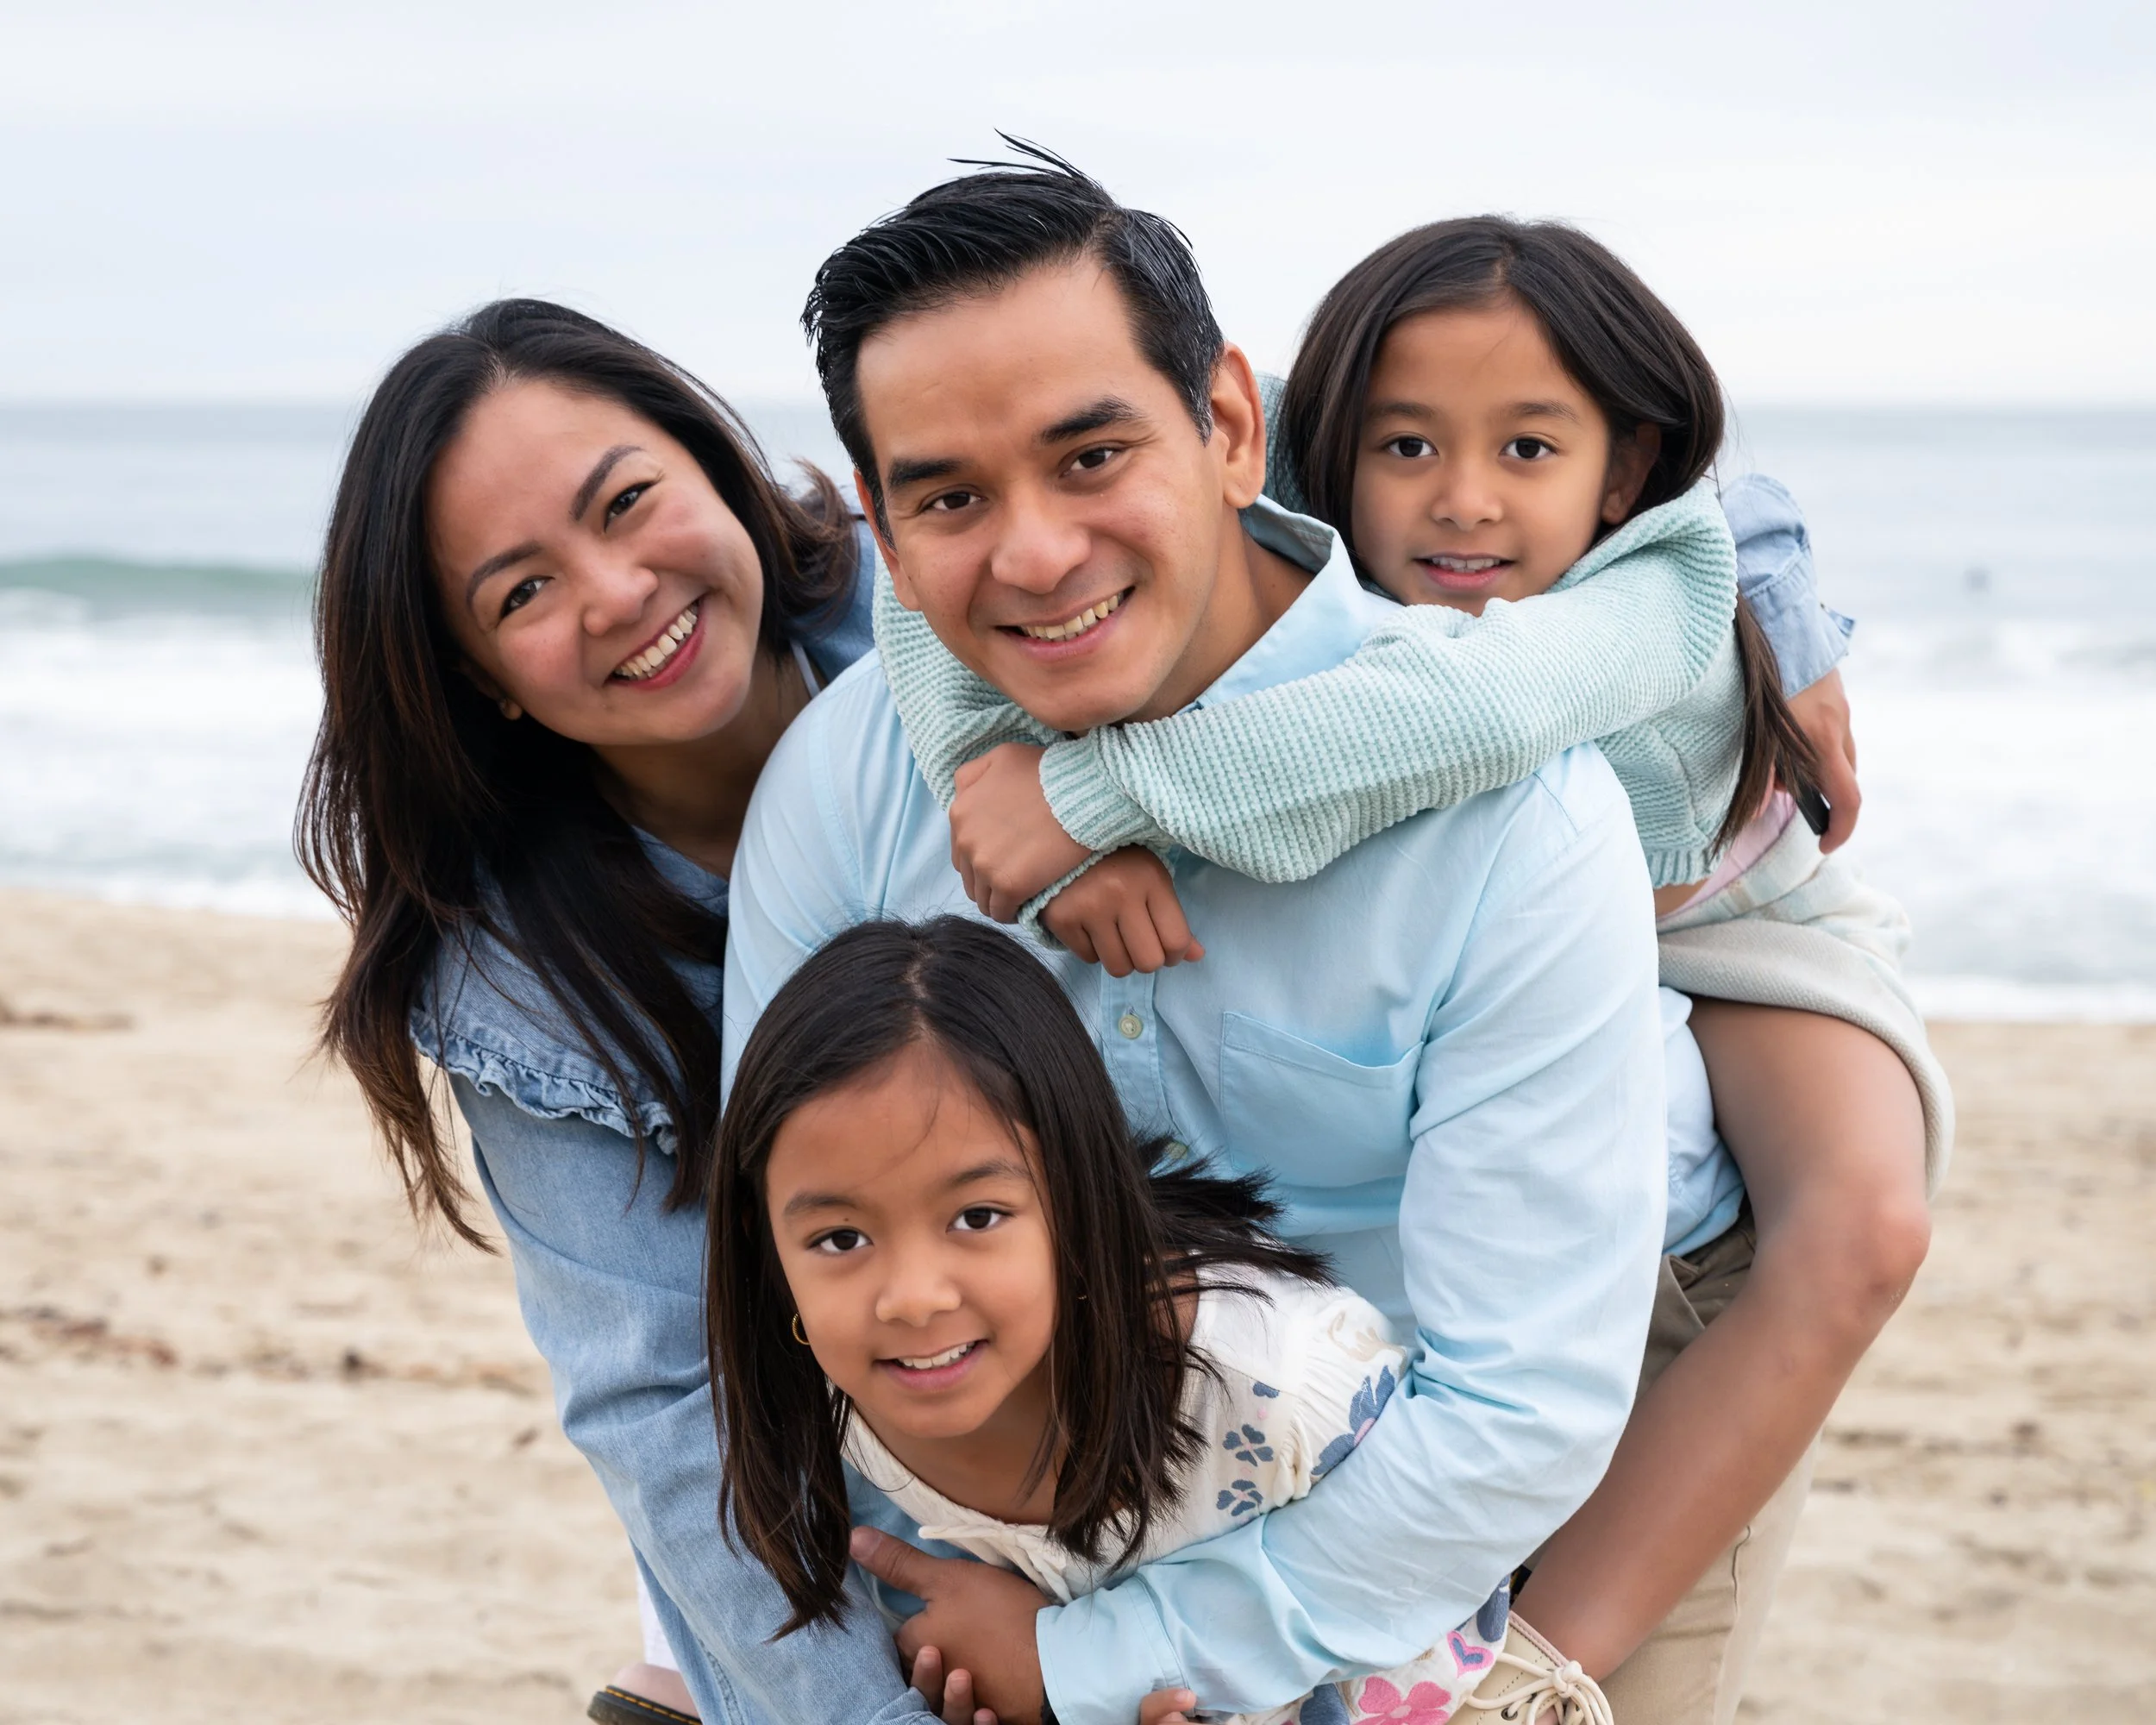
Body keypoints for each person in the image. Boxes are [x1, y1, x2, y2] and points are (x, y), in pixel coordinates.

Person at [874, 216, 1948, 1721]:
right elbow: (905, 585)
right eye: (1405, 448)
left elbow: (1458, 720)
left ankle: (1546, 1663)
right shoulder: (1275, 535)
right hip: (1553, 1015)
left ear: (1620, 471)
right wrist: (984, 749)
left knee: (1862, 1223)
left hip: (1740, 926)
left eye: (1526, 451)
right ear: (1310, 448)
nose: (1462, 501)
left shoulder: (1644, 598)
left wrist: (1087, 799)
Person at [721, 147, 1709, 1725]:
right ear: (887, 544)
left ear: (1232, 426)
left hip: (1475, 1533)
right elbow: (792, 1272)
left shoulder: (1516, 819)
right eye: (953, 498)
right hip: (1016, 1558)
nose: (1036, 553)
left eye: (1092, 455)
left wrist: (1106, 1664)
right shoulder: (849, 788)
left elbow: (1520, 1405)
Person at [297, 297, 885, 1725]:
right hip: (831, 1478)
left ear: (714, 462)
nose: (617, 593)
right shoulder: (522, 974)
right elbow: (667, 1410)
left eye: (628, 502)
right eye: (522, 594)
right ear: (480, 684)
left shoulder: (942, 620)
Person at [711, 914, 1561, 1725]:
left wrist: (1078, 1665)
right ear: (765, 1241)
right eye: (840, 1236)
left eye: (976, 1216)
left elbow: (1446, 1609)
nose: (912, 1296)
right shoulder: (835, 1395)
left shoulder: (1278, 1381)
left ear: (1076, 1195)